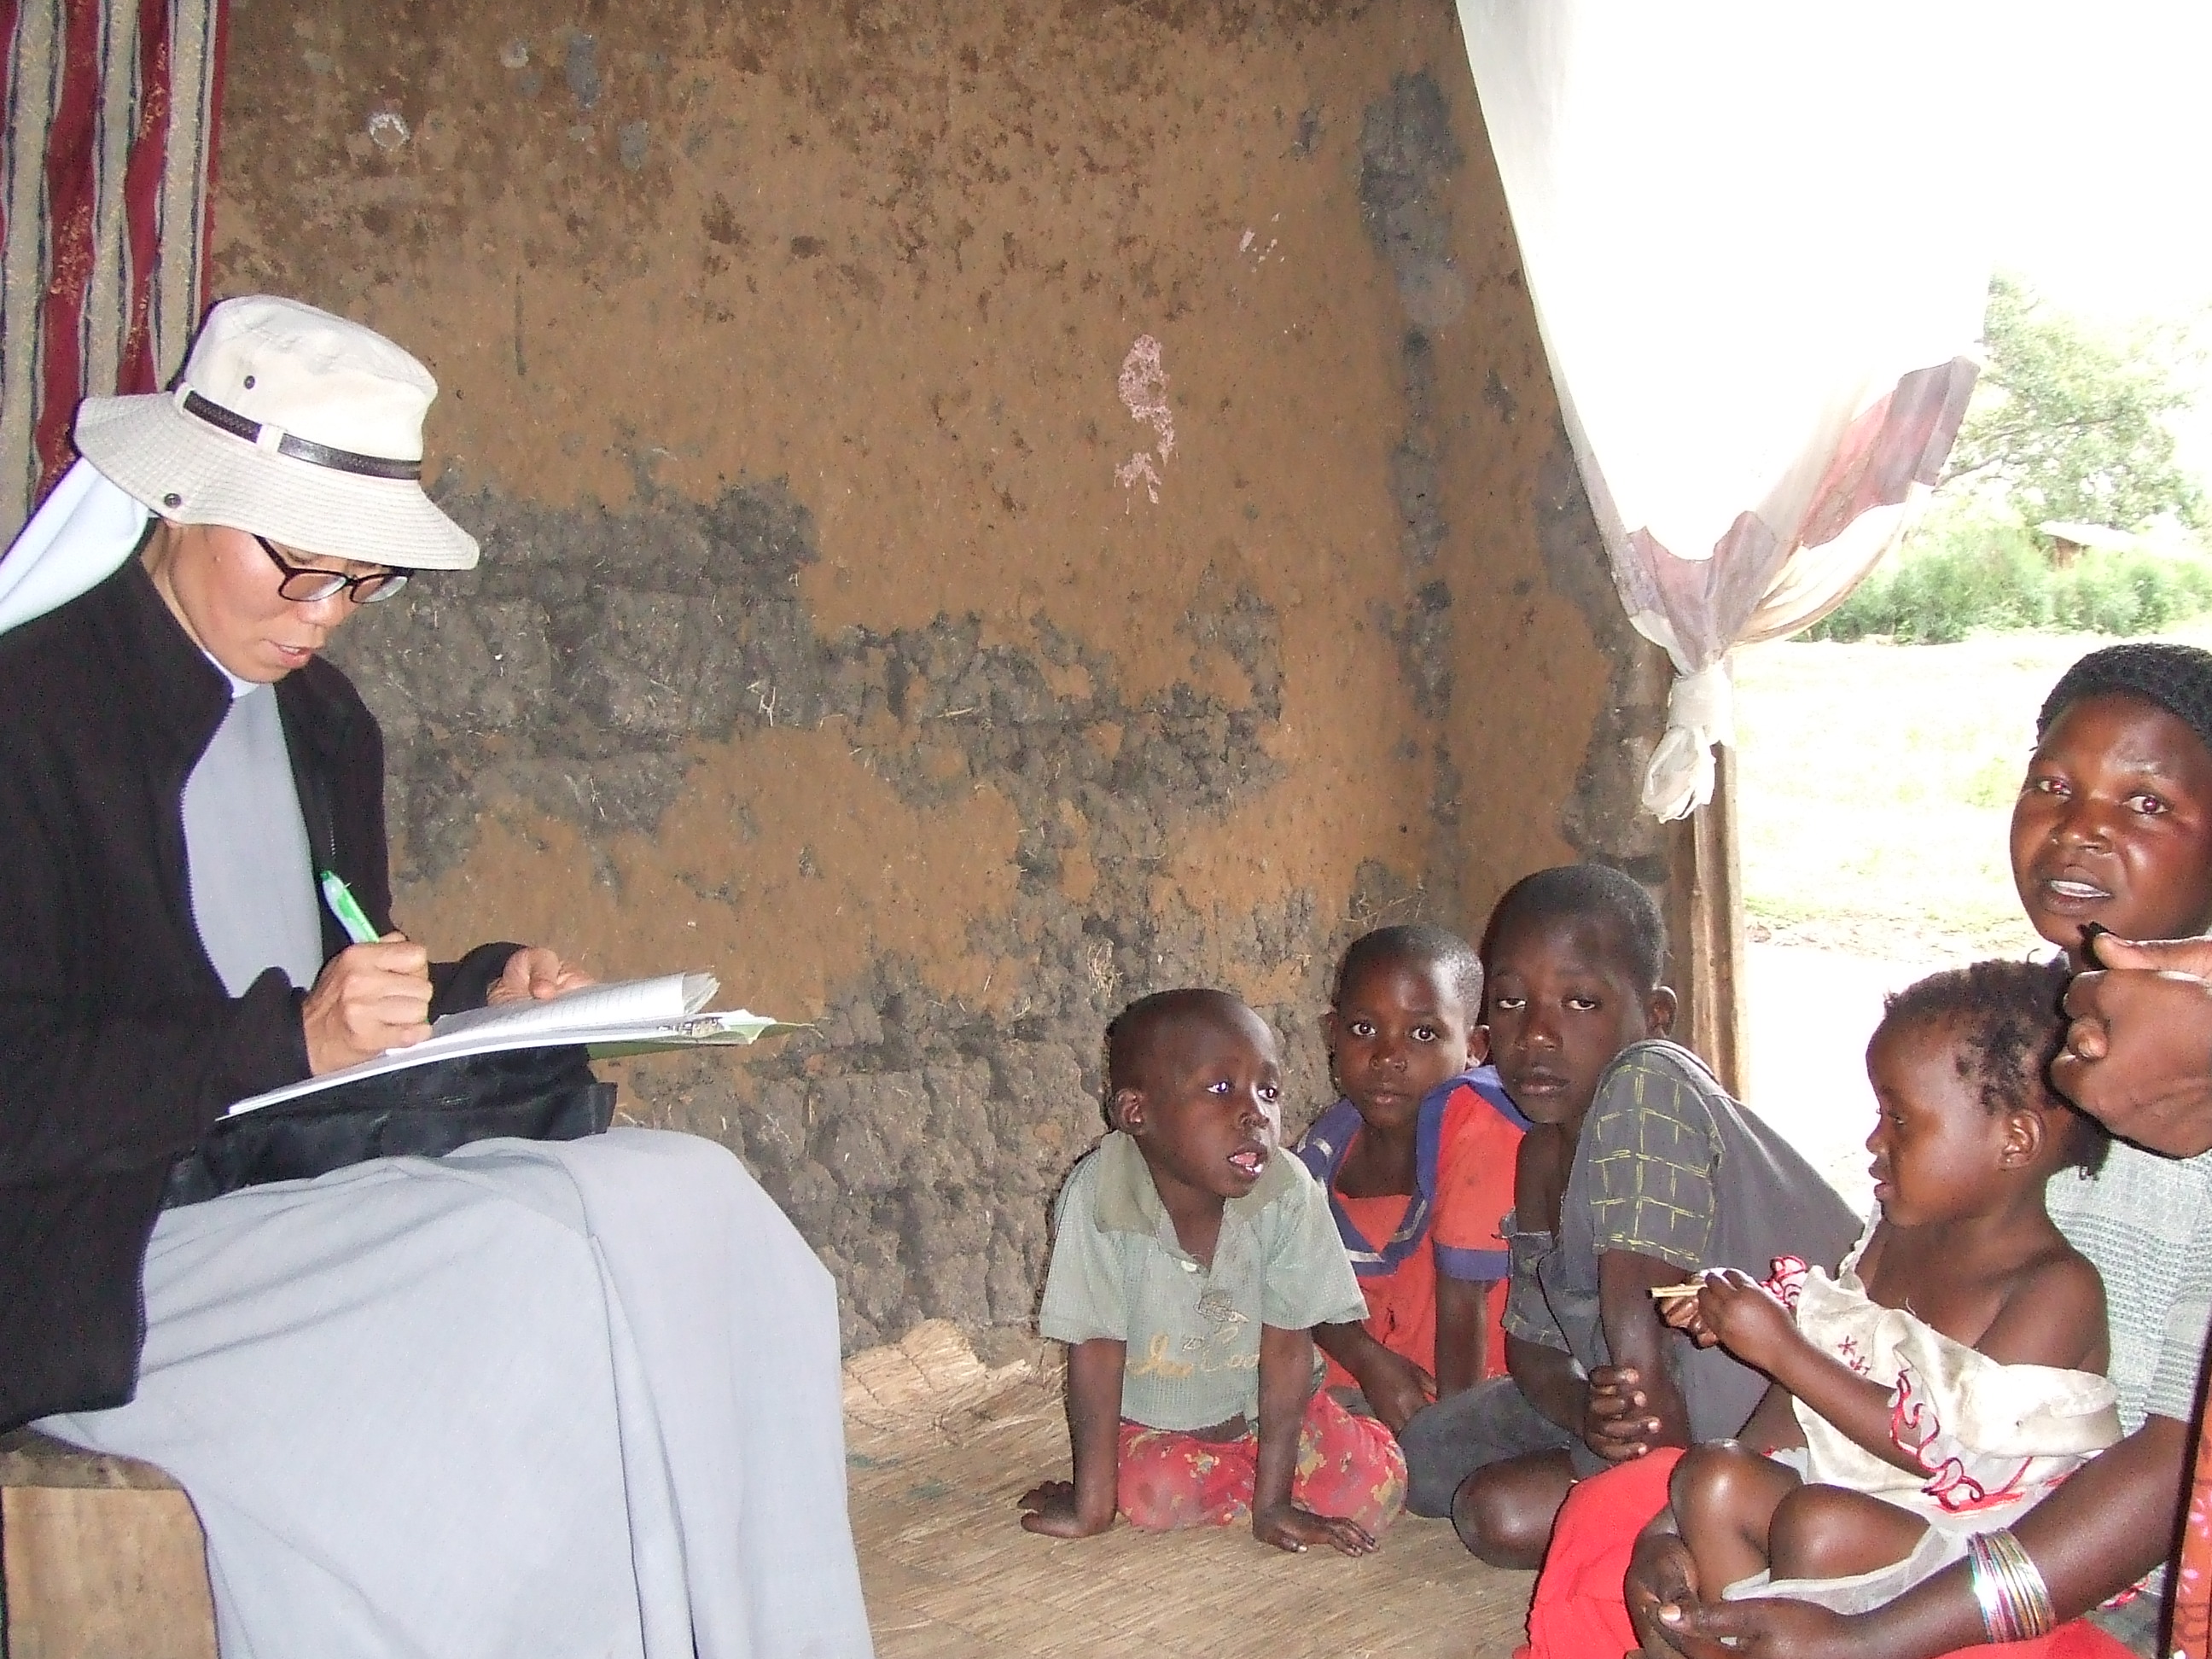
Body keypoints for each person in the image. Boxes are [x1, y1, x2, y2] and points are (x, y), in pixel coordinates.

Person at [0, 296, 871, 1658]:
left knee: (699, 1206)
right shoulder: (28, 720)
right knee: (522, 1279)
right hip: (107, 1250)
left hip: (299, 1189)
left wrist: (479, 1001)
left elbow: (329, 996)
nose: (324, 618)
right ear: (183, 498)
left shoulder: (322, 724)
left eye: (363, 583)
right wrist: (287, 1041)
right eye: (297, 569)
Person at [1607, 641, 2212, 1659]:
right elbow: (1868, 1326)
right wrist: (1682, 1535)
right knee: (1630, 1530)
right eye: (2052, 786)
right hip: (1902, 1476)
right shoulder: (2002, 1035)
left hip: (2072, 1565)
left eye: (2144, 803)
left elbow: (2169, 1474)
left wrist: (1877, 1638)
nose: (2080, 829)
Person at [1396, 864, 1859, 1559]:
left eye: (1580, 1003)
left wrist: (1640, 1466)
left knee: (1495, 1515)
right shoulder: (1541, 1155)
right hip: (1625, 1396)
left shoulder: (1649, 1084)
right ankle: (1649, 1494)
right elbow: (1535, 1344)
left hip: (1768, 1413)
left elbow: (1640, 1314)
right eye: (1513, 1002)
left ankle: (1701, 1521)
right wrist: (1584, 1412)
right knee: (1421, 1457)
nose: (1538, 1035)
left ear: (1657, 1016)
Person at [1667, 960, 2117, 1617]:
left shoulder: (2055, 1291)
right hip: (1852, 1488)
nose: (1874, 1140)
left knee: (1816, 1527)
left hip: (1973, 1540)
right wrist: (1748, 1325)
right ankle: (1726, 1632)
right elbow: (1809, 1382)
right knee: (1712, 1476)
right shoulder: (1895, 1232)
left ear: (2014, 1139)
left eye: (1901, 1121)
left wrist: (1783, 1349)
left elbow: (1949, 1458)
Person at [1016, 987, 1406, 1553]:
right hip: (1161, 1426)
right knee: (1150, 1494)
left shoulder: (1287, 1193)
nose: (1256, 1113)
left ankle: (1262, 1478)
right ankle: (1229, 1481)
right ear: (1137, 1113)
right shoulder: (1100, 1195)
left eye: (1268, 1091)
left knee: (1377, 1490)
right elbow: (1096, 1349)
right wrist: (1091, 1505)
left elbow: (1286, 1347)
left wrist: (1273, 1506)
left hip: (1266, 1413)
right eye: (1221, 1089)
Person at [1296, 924, 1526, 1432]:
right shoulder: (1321, 1154)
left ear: (1475, 1047)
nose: (1386, 1056)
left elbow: (1466, 1304)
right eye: (1363, 1029)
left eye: (1423, 1034)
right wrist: (1365, 1359)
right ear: (1331, 1034)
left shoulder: (1479, 1127)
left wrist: (1450, 1445)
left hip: (1477, 1403)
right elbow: (1283, 1279)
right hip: (1350, 1401)